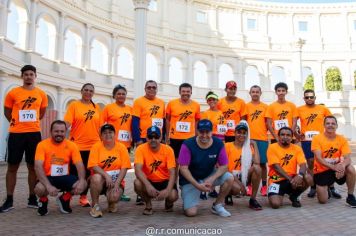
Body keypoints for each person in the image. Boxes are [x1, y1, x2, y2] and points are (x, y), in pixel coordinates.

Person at [1, 65, 48, 213]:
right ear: (22, 76)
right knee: (12, 166)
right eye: (26, 74)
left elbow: (41, 113)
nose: (29, 76)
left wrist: (29, 123)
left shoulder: (41, 94)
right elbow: (7, 112)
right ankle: (9, 199)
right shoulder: (13, 93)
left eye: (31, 74)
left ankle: (32, 198)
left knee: (32, 166)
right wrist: (17, 123)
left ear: (35, 76)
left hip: (34, 133)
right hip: (16, 133)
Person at [178, 119, 234, 217]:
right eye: (201, 132)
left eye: (207, 132)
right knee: (191, 213)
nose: (204, 135)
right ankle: (187, 198)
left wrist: (212, 179)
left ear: (212, 132)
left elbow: (224, 166)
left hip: (208, 176)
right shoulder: (187, 144)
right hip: (190, 180)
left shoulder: (218, 143)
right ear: (197, 131)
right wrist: (197, 185)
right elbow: (183, 169)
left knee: (229, 177)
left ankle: (217, 205)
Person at [34, 120, 87, 216]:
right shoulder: (42, 145)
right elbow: (37, 166)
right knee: (39, 188)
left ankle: (65, 199)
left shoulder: (72, 145)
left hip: (65, 177)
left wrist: (82, 180)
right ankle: (43, 201)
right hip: (48, 177)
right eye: (56, 131)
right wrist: (48, 186)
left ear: (66, 132)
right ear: (51, 132)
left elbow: (79, 164)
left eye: (62, 131)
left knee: (83, 184)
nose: (59, 134)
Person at [297, 89, 339, 198]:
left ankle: (331, 187)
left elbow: (331, 121)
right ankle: (313, 186)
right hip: (307, 141)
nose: (309, 99)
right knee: (310, 163)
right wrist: (296, 134)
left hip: (322, 141)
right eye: (307, 97)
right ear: (304, 98)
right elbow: (291, 122)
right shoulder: (299, 109)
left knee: (325, 162)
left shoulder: (323, 109)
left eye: (311, 97)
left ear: (315, 98)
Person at [64, 83, 101, 207]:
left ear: (93, 93)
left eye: (91, 90)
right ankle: (67, 197)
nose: (88, 92)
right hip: (77, 146)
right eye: (86, 90)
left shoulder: (96, 107)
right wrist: (59, 133)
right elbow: (67, 123)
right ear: (81, 91)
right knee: (75, 173)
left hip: (94, 147)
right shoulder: (74, 105)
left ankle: (83, 197)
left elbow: (99, 128)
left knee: (89, 173)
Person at [87, 124, 131, 218]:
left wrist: (117, 184)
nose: (108, 135)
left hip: (116, 181)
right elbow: (93, 165)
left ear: (115, 134)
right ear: (101, 136)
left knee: (114, 196)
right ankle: (95, 206)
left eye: (110, 132)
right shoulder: (96, 147)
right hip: (101, 181)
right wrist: (106, 176)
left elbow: (124, 168)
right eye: (105, 133)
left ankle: (111, 203)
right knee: (96, 178)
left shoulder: (122, 147)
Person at [132, 80, 165, 204]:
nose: (151, 89)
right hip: (143, 139)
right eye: (149, 87)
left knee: (154, 164)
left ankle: (154, 187)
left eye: (154, 87)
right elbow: (135, 122)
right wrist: (137, 139)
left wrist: (164, 139)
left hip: (158, 139)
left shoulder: (161, 103)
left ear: (156, 89)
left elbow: (163, 121)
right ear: (145, 89)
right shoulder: (139, 102)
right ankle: (141, 193)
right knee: (141, 165)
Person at [311, 116, 356, 207]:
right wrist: (334, 168)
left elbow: (348, 158)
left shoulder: (342, 139)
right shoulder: (317, 138)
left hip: (338, 169)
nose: (330, 125)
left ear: (336, 126)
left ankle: (350, 196)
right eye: (328, 123)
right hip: (322, 171)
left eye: (333, 123)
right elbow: (319, 159)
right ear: (324, 125)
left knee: (350, 168)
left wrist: (342, 166)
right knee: (323, 200)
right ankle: (327, 188)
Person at [134, 126, 178, 215]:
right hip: (149, 180)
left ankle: (168, 203)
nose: (153, 139)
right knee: (137, 183)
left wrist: (167, 190)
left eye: (156, 137)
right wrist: (148, 185)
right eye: (150, 137)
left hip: (165, 180)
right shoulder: (140, 149)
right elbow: (137, 170)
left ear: (161, 138)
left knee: (173, 195)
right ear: (146, 138)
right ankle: (148, 204)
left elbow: (173, 172)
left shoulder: (168, 150)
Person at [267, 127, 312, 209]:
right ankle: (278, 193)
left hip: (292, 180)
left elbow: (303, 164)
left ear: (292, 138)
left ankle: (294, 196)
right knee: (276, 204)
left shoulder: (297, 148)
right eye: (282, 134)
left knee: (308, 177)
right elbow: (276, 167)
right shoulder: (272, 147)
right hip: (276, 179)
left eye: (288, 135)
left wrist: (300, 175)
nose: (285, 137)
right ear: (278, 136)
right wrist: (290, 179)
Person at [101, 84, 132, 201]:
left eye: (123, 94)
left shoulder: (130, 109)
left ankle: (120, 189)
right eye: (118, 93)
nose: (121, 96)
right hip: (111, 144)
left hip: (126, 144)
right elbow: (101, 124)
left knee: (122, 168)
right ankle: (106, 188)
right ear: (114, 95)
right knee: (111, 166)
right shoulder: (109, 108)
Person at [225, 121, 262, 210]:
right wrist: (240, 184)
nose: (241, 135)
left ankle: (253, 199)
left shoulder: (248, 147)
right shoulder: (227, 146)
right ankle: (227, 194)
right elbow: (224, 168)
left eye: (244, 133)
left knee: (257, 168)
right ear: (235, 133)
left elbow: (257, 163)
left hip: (244, 174)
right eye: (239, 132)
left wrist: (255, 144)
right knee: (237, 189)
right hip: (231, 175)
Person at [200, 91, 227, 198]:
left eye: (214, 99)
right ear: (207, 101)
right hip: (210, 140)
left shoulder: (221, 113)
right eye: (210, 100)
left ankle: (212, 189)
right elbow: (204, 129)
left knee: (217, 165)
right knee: (207, 163)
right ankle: (203, 190)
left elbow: (224, 127)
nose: (212, 101)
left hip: (221, 140)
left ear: (217, 101)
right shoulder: (205, 113)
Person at [166, 83, 200, 159]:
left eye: (188, 91)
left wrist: (196, 136)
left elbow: (197, 121)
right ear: (179, 92)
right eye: (183, 91)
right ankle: (175, 171)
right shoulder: (171, 103)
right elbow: (167, 120)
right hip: (174, 137)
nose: (185, 93)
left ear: (191, 92)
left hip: (190, 138)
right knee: (175, 160)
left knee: (188, 159)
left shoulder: (196, 105)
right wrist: (167, 135)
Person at [246, 85, 269, 196]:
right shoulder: (246, 106)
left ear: (260, 93)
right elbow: (244, 123)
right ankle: (249, 185)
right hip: (249, 140)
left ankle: (264, 186)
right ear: (249, 93)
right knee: (250, 164)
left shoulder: (265, 107)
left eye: (257, 91)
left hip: (263, 139)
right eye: (253, 91)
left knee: (263, 164)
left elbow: (268, 124)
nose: (255, 93)